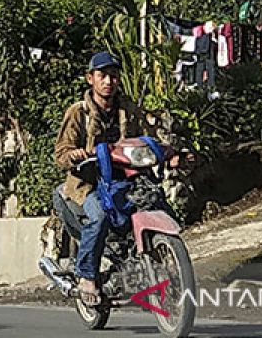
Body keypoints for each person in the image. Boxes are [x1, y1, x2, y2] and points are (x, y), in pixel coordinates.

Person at [53, 51, 178, 305]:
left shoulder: (130, 110)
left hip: (127, 179)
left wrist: (171, 154)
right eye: (102, 75)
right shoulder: (78, 113)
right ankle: (87, 276)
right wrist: (75, 155)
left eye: (113, 76)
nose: (108, 81)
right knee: (98, 216)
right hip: (88, 183)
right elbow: (60, 154)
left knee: (159, 204)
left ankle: (163, 262)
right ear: (91, 79)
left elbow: (151, 138)